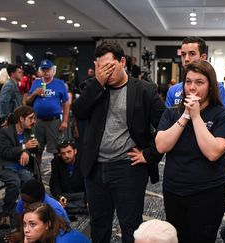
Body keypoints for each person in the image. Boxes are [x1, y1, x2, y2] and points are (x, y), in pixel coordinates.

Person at [72, 40, 165, 243]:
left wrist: (150, 155)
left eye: (110, 67)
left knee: (131, 225)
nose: (105, 72)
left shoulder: (144, 90)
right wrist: (98, 83)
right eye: (100, 67)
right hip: (95, 168)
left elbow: (165, 127)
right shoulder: (94, 86)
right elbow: (78, 111)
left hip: (128, 168)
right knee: (98, 223)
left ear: (122, 61)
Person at [155, 60, 225, 243]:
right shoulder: (172, 113)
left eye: (199, 82)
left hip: (207, 193)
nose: (192, 87)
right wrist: (185, 115)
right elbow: (161, 146)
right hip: (174, 189)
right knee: (177, 239)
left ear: (211, 86)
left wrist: (196, 116)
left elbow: (213, 152)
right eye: (188, 82)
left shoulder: (223, 115)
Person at [0, 105, 38, 228]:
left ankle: (28, 210)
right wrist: (24, 148)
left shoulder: (29, 131)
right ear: (21, 119)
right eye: (31, 118)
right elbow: (5, 152)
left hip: (20, 165)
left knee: (29, 181)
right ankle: (6, 213)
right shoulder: (5, 132)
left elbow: (32, 149)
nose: (34, 121)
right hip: (4, 164)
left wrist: (27, 151)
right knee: (15, 182)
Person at [26, 59, 70, 163]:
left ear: (52, 70)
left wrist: (65, 121)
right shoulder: (36, 82)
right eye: (43, 70)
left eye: (48, 70)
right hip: (38, 121)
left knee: (57, 150)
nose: (45, 72)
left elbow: (66, 103)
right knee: (37, 150)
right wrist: (35, 93)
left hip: (54, 121)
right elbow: (28, 101)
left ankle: (58, 174)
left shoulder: (59, 83)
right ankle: (37, 175)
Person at [165, 36, 225, 108]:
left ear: (203, 57)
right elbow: (168, 118)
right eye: (183, 54)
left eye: (192, 54)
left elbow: (221, 117)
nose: (186, 59)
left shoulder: (217, 87)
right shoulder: (173, 90)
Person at [4, 179, 70, 243]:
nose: (24, 206)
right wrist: (21, 232)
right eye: (23, 201)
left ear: (40, 201)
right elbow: (19, 220)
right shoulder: (25, 200)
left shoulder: (55, 209)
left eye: (28, 203)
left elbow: (55, 233)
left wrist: (23, 236)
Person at [50, 141, 87, 218]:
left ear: (75, 151)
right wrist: (59, 196)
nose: (66, 155)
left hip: (80, 194)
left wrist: (88, 199)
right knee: (49, 203)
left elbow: (88, 182)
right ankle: (76, 208)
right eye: (63, 153)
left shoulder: (83, 161)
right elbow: (54, 182)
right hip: (65, 195)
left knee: (95, 201)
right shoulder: (56, 162)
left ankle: (68, 209)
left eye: (69, 152)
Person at [22, 202, 89, 243]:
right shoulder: (50, 232)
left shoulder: (62, 240)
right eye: (24, 224)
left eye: (32, 224)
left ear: (47, 224)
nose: (26, 230)